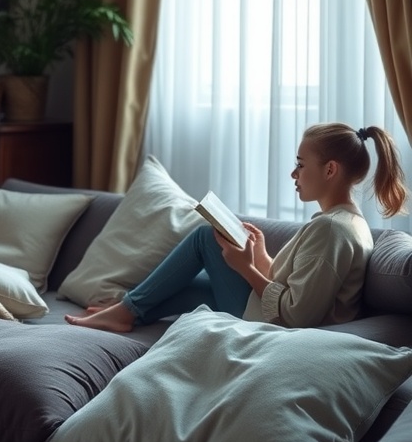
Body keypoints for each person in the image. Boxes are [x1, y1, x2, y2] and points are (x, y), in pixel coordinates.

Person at [65, 123, 408, 333]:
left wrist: (245, 268)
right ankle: (126, 312)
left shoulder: (333, 231)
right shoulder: (347, 224)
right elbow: (294, 287)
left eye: (301, 165)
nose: (294, 174)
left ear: (330, 170)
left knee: (204, 238)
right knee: (199, 287)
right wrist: (260, 257)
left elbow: (296, 315)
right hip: (270, 317)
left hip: (273, 330)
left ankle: (126, 310)